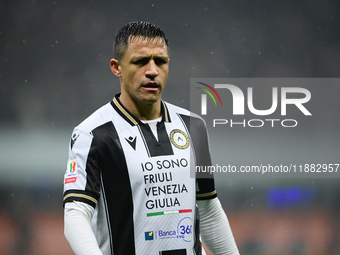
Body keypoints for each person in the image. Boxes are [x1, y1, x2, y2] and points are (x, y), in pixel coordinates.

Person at [63, 21, 239, 255]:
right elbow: (76, 214)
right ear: (116, 67)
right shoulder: (93, 134)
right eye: (140, 61)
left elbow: (208, 208)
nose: (153, 70)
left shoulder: (194, 126)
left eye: (161, 61)